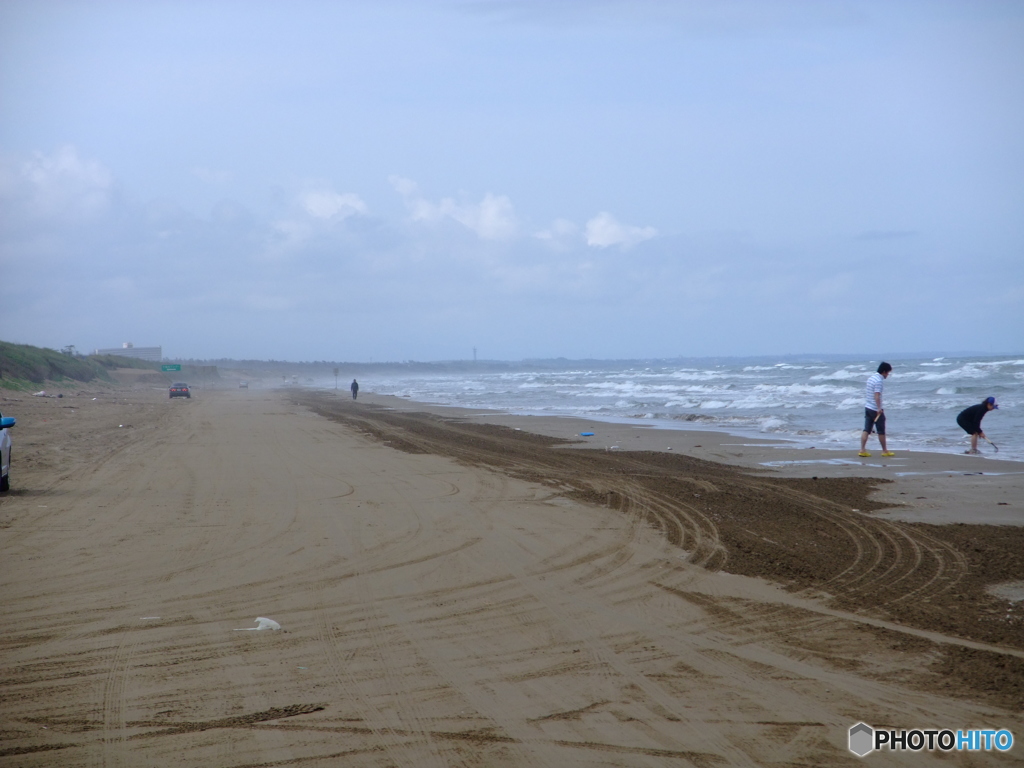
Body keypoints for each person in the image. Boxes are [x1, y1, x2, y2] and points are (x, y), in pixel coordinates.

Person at [859, 362, 894, 457]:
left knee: (866, 430)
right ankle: (884, 451)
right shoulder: (879, 381)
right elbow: (877, 396)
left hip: (868, 407)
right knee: (881, 431)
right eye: (887, 373)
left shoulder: (871, 378)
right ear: (883, 371)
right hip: (875, 409)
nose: (888, 375)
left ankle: (862, 450)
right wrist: (879, 408)